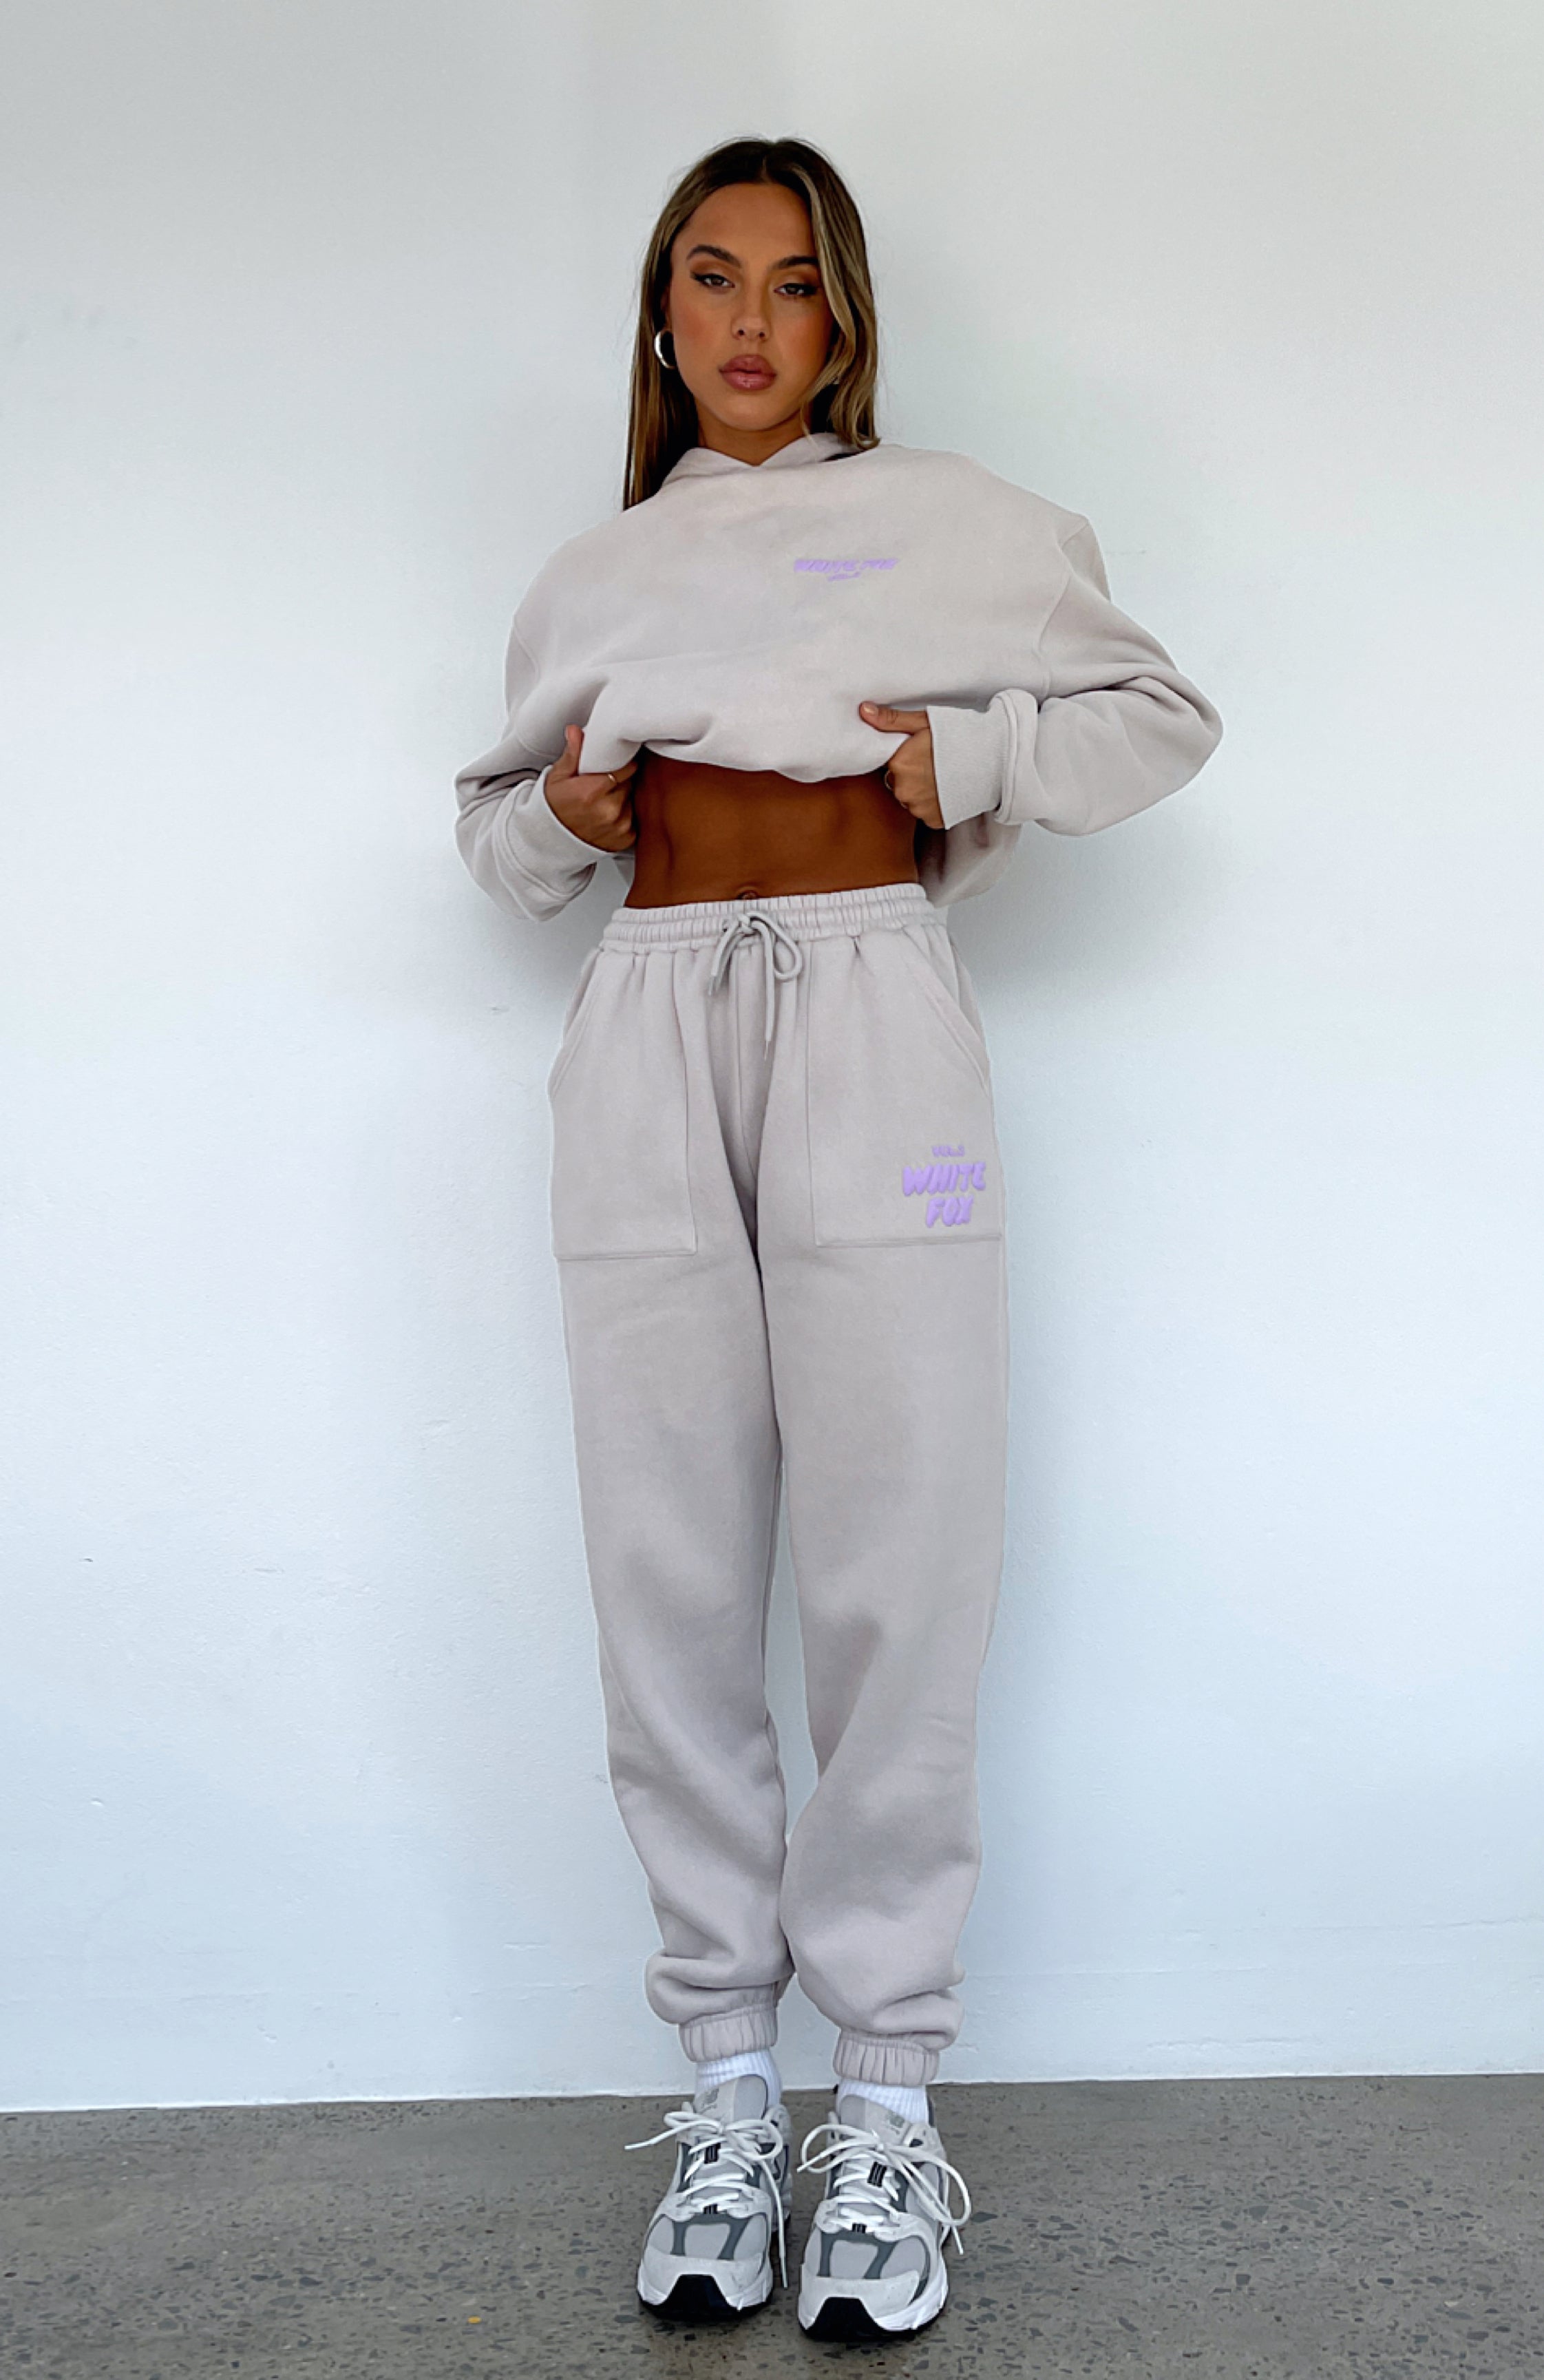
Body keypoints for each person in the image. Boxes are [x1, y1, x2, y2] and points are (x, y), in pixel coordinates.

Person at [454, 134, 1222, 2341]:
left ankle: (879, 2101)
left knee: (902, 1542)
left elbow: (1158, 715)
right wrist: (564, 813)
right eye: (708, 278)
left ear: (845, 315)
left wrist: (967, 754)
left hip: (878, 1024)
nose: (747, 322)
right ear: (660, 312)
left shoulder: (960, 521)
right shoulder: (594, 574)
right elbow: (491, 834)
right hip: (647, 1029)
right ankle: (724, 2083)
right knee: (668, 1558)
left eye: (790, 282)